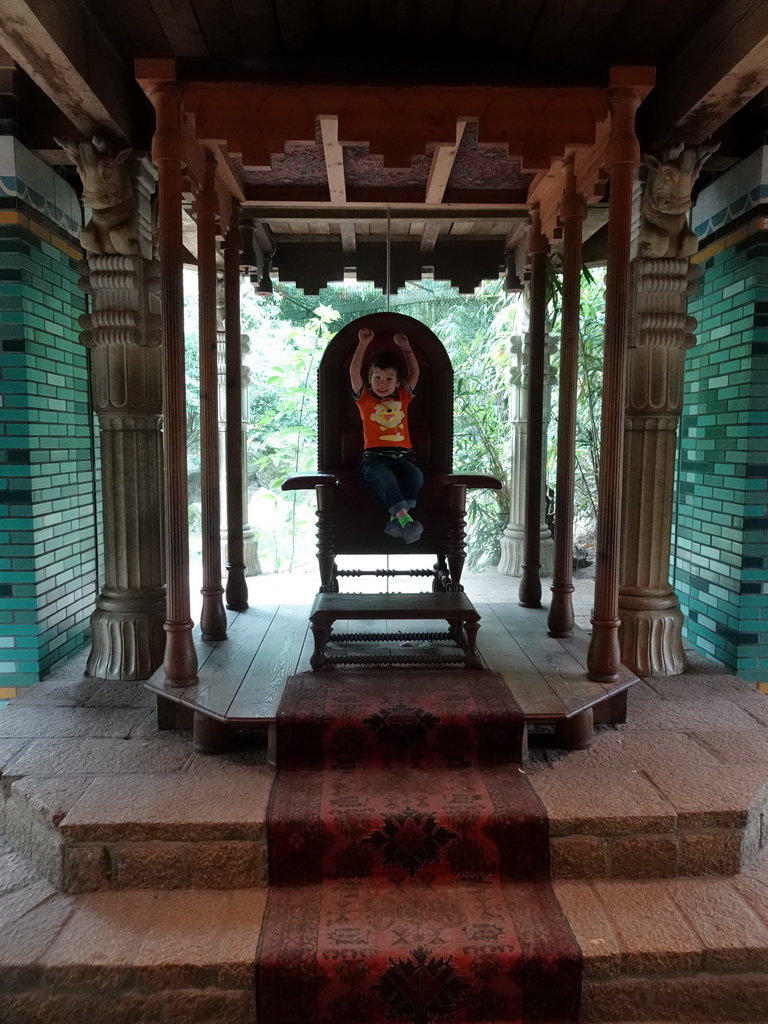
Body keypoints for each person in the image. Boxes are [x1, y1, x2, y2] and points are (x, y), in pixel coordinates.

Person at [349, 327, 424, 543]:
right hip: (375, 458)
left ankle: (395, 521)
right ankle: (407, 522)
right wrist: (363, 343)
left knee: (416, 477)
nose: (382, 383)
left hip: (404, 457)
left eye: (389, 378)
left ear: (398, 382)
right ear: (370, 379)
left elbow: (415, 373)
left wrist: (406, 347)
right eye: (377, 377)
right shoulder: (365, 399)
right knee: (386, 479)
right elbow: (354, 372)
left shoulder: (403, 396)